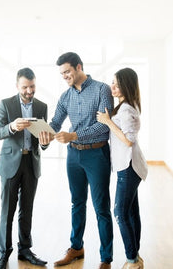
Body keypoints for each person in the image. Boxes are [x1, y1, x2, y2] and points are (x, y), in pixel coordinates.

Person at [40, 52, 114, 269]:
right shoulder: (65, 96)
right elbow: (55, 122)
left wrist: (73, 135)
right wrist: (43, 133)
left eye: (67, 72)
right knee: (77, 202)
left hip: (97, 154)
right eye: (62, 73)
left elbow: (104, 125)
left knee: (101, 207)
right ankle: (76, 247)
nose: (65, 76)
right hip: (74, 156)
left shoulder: (102, 89)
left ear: (79, 67)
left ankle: (106, 258)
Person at [0, 67, 49, 269]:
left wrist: (45, 142)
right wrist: (11, 127)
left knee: (27, 209)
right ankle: (3, 253)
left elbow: (43, 140)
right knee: (7, 211)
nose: (29, 91)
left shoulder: (42, 106)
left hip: (31, 163)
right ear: (17, 86)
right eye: (25, 87)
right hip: (10, 164)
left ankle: (25, 249)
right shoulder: (6, 104)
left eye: (32, 86)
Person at [96, 68, 148, 269]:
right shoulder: (125, 106)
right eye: (112, 82)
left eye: (116, 84)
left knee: (120, 212)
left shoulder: (126, 110)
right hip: (126, 166)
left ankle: (132, 261)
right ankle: (135, 256)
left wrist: (108, 122)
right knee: (131, 212)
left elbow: (128, 141)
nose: (112, 87)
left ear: (126, 85)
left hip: (129, 167)